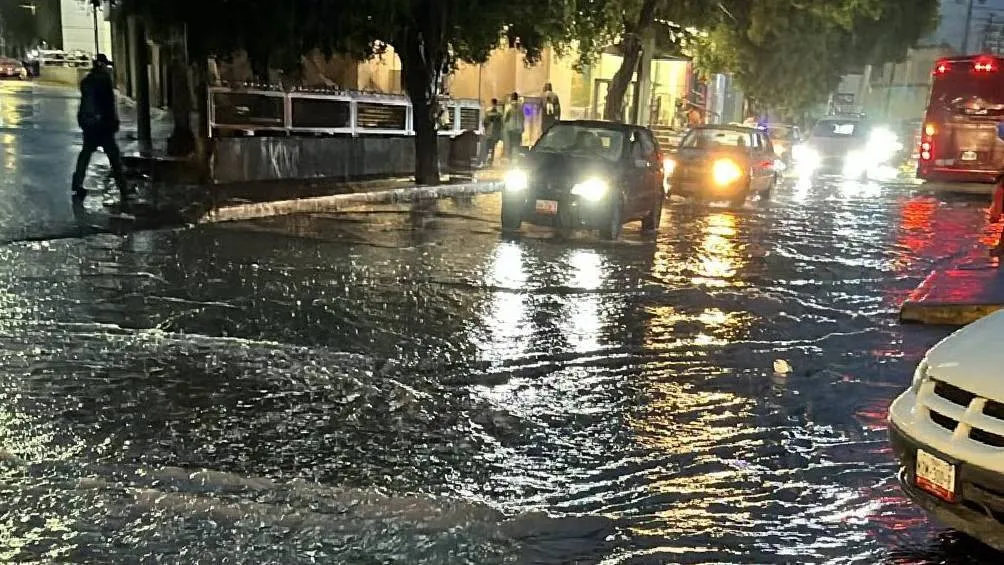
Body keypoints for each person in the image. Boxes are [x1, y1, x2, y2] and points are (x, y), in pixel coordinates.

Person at [71, 54, 131, 202]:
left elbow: (85, 103)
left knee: (85, 154)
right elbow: (108, 105)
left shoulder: (86, 81)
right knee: (114, 157)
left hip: (89, 125)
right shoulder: (104, 81)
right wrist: (113, 122)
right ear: (102, 65)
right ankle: (123, 187)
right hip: (103, 126)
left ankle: (77, 183)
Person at [480, 98, 503, 167]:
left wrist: (485, 128)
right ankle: (490, 161)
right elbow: (500, 125)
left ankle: (486, 161)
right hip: (495, 133)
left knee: (487, 148)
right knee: (492, 148)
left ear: (492, 103)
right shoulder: (499, 114)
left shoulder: (488, 113)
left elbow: (484, 122)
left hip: (488, 133)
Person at [503, 92, 524, 159]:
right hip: (518, 128)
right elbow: (523, 117)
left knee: (509, 144)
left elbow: (505, 118)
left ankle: (510, 159)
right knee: (516, 144)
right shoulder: (520, 106)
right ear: (517, 97)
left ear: (511, 98)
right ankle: (515, 159)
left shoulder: (509, 106)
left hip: (510, 128)